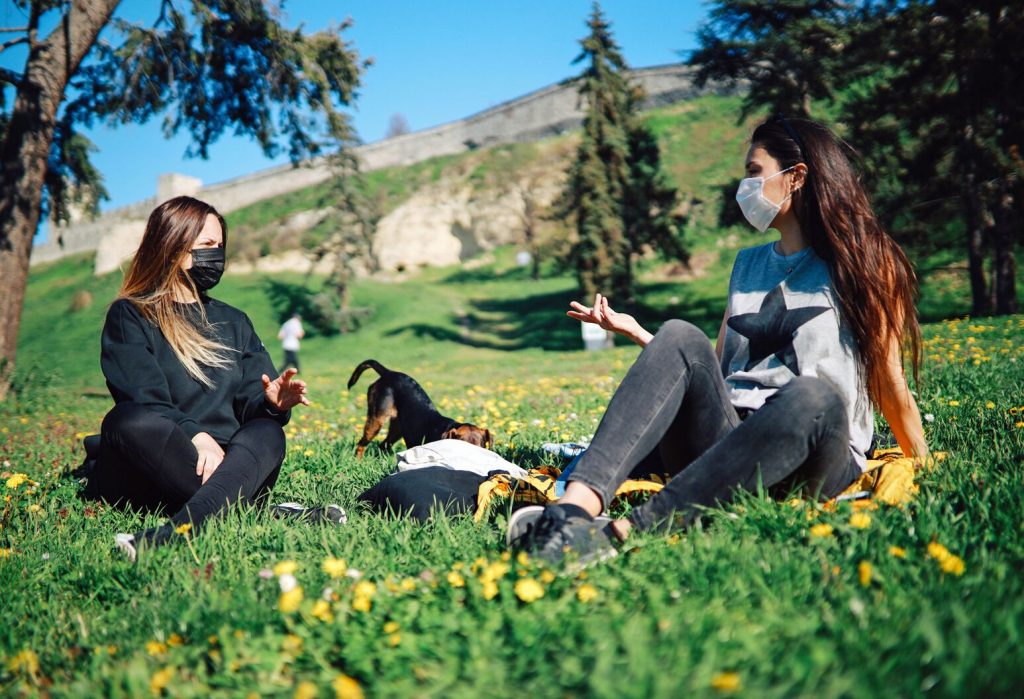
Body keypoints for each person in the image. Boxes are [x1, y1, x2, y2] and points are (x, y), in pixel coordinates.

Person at [508, 115, 929, 567]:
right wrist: (642, 335)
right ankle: (570, 517)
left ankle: (619, 533)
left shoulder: (865, 261)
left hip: (814, 450)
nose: (744, 186)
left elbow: (889, 380)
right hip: (728, 444)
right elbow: (712, 370)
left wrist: (922, 462)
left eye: (754, 171)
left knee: (813, 396)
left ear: (797, 177)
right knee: (678, 333)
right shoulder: (747, 267)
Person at [88, 196, 330, 561]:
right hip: (162, 461)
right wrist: (196, 435)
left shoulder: (235, 321)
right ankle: (249, 507)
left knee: (267, 432)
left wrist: (271, 405)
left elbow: (251, 404)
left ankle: (176, 531)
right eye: (206, 246)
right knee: (127, 420)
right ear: (173, 247)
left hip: (230, 462)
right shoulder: (132, 314)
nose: (216, 255)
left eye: (220, 247)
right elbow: (144, 397)